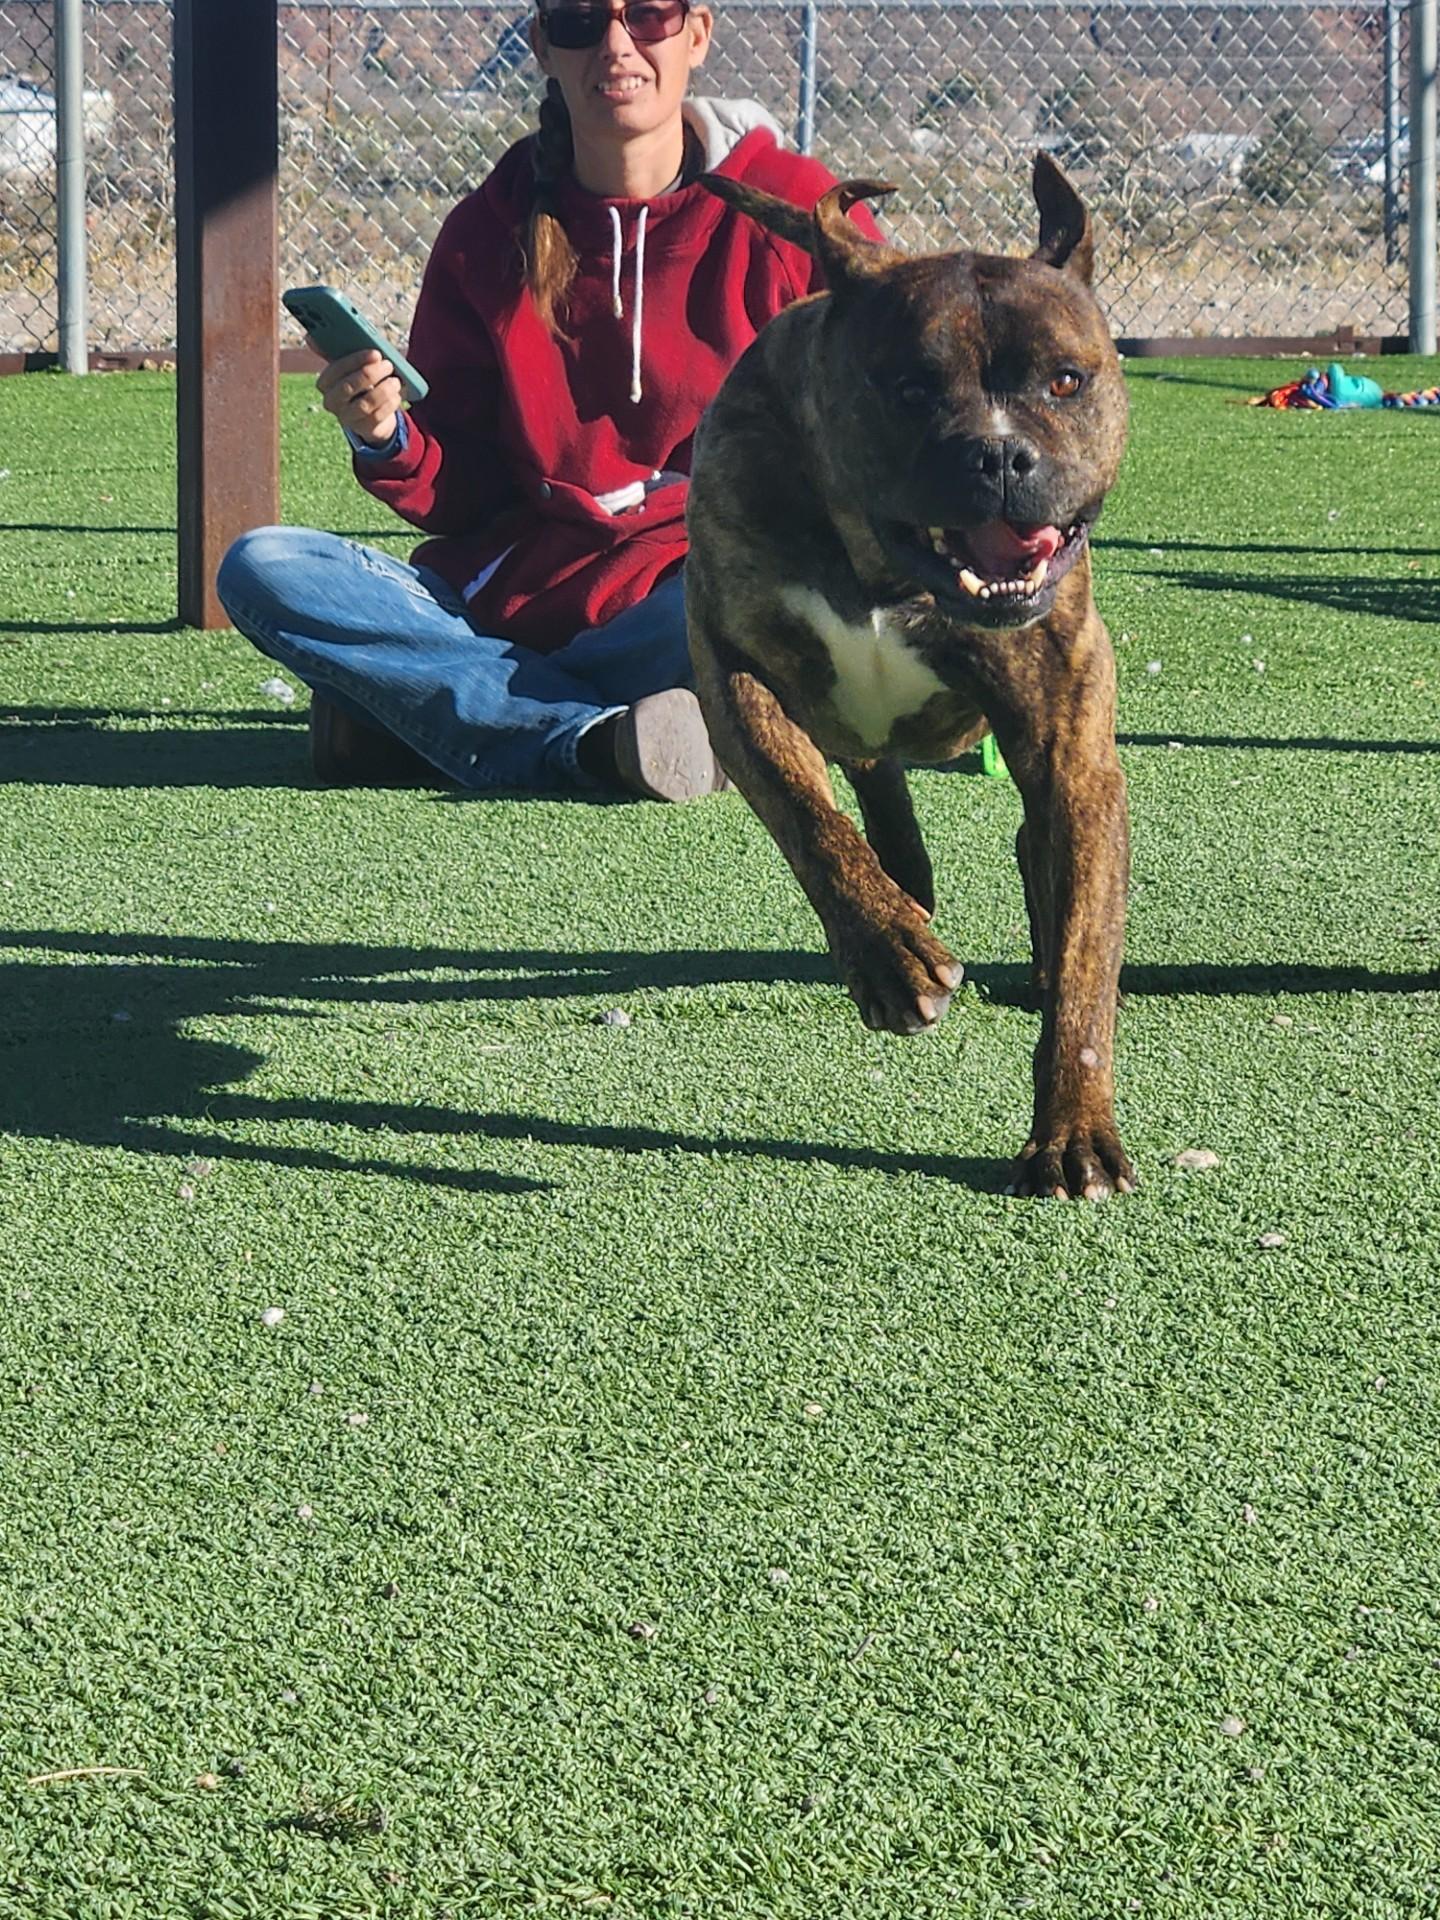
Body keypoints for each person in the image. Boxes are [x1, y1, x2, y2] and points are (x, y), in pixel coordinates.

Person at [216, 0, 879, 800]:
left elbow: (890, 413)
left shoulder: (795, 213)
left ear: (697, 33)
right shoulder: (487, 230)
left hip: (695, 594)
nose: (615, 44)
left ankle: (427, 717)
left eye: (649, 16)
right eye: (577, 21)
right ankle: (595, 740)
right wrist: (388, 436)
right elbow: (464, 493)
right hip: (515, 602)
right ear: (542, 47)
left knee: (761, 606)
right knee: (265, 568)